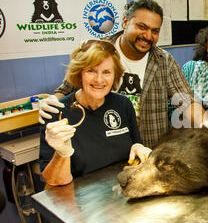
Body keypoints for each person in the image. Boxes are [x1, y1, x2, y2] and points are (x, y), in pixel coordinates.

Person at [39, 0, 208, 149]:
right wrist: (51, 102)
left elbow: (187, 101)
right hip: (105, 151)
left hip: (150, 150)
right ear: (125, 21)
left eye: (155, 31)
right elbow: (67, 89)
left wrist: (207, 122)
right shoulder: (98, 51)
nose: (148, 36)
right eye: (142, 27)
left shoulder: (164, 61)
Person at [39, 40, 152, 185]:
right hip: (78, 200)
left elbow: (135, 145)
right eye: (91, 70)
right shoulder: (57, 112)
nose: (99, 79)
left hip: (121, 191)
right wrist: (62, 154)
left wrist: (138, 147)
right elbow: (53, 181)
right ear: (79, 74)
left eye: (106, 72)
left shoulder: (123, 104)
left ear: (115, 76)